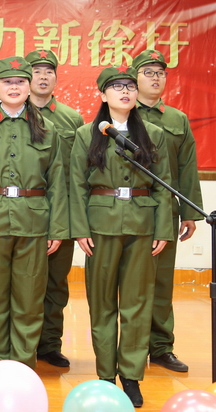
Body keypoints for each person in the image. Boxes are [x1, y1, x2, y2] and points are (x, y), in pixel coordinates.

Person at [69, 65, 174, 408]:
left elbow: (163, 186)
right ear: (103, 95)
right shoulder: (87, 134)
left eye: (130, 86)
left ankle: (130, 376)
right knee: (102, 303)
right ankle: (105, 374)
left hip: (142, 224)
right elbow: (76, 184)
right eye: (116, 87)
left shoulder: (153, 133)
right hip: (101, 225)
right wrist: (80, 229)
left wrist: (163, 228)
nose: (125, 91)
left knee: (137, 303)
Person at [0, 56, 68, 368]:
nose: (14, 87)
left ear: (29, 86)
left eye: (20, 81)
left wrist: (57, 229)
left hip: (34, 222)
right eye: (7, 82)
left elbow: (57, 182)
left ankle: (22, 366)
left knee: (29, 299)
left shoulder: (47, 128)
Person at [133, 49, 203, 374]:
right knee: (129, 283)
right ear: (134, 79)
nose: (155, 77)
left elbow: (187, 168)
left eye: (160, 72)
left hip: (164, 211)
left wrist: (189, 212)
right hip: (128, 210)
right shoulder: (121, 115)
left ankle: (161, 348)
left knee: (161, 283)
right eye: (148, 72)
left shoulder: (177, 120)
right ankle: (129, 347)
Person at [24, 49, 85, 368]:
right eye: (37, 71)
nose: (43, 76)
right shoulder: (11, 115)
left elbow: (79, 172)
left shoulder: (72, 119)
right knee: (22, 283)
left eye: (49, 71)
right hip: (23, 211)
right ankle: (22, 344)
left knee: (55, 284)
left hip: (61, 213)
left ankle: (49, 344)